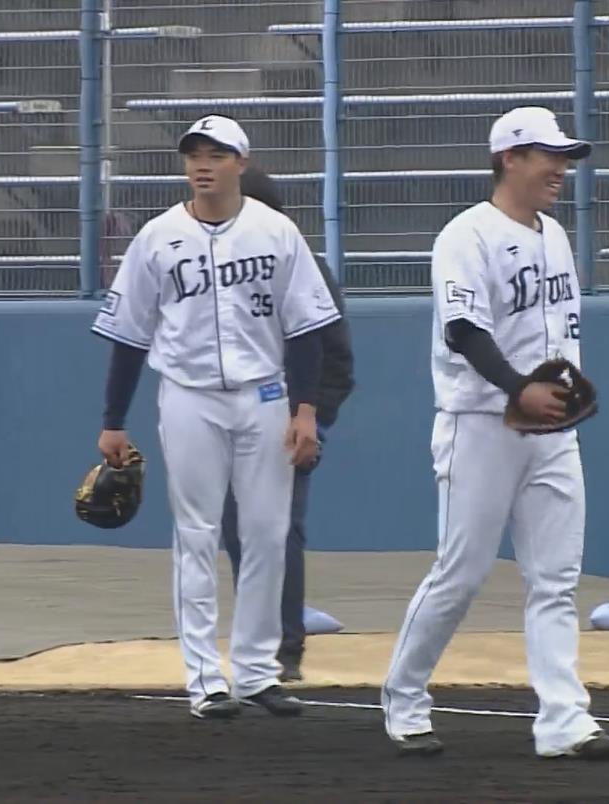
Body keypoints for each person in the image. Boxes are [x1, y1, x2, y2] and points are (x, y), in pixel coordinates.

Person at [379, 106, 609, 761]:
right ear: (509, 159)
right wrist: (517, 386)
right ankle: (404, 697)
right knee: (460, 573)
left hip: (551, 430)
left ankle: (564, 722)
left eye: (565, 158)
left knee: (555, 579)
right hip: (479, 424)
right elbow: (463, 330)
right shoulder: (466, 235)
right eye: (549, 156)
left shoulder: (555, 235)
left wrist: (556, 392)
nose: (561, 168)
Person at [90, 114, 342, 720]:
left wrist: (306, 410)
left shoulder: (276, 232)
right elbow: (129, 336)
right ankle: (205, 679)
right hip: (189, 397)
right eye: (194, 155)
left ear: (240, 163)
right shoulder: (157, 237)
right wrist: (113, 419)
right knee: (197, 534)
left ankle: (256, 672)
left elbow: (306, 330)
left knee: (267, 534)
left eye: (216, 154)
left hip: (264, 395)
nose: (202, 165)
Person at [220, 165, 356, 683]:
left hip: (285, 419)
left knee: (275, 529)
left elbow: (336, 358)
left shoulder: (301, 265)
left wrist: (312, 419)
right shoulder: (217, 267)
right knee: (237, 531)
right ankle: (260, 640)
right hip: (227, 418)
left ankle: (283, 650)